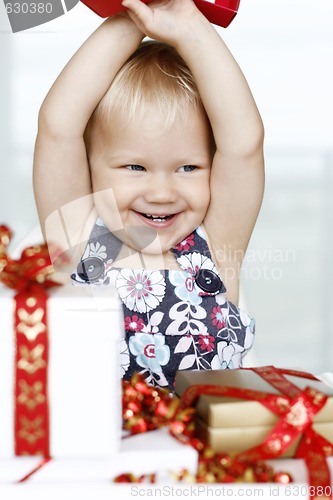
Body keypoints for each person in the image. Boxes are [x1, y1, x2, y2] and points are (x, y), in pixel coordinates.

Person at [33, 0, 264, 389]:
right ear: (89, 166)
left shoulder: (218, 249)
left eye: (188, 168)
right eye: (135, 167)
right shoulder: (77, 239)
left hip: (203, 451)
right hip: (99, 450)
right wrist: (131, 15)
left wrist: (189, 23)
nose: (161, 193)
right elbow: (58, 126)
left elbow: (244, 142)